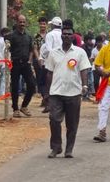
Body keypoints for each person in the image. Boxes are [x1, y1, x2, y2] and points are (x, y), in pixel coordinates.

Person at [45, 27, 90, 158]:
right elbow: (49, 73)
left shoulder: (80, 52)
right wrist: (47, 93)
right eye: (64, 34)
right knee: (54, 119)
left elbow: (84, 70)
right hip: (56, 92)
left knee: (72, 123)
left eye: (69, 34)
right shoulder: (53, 53)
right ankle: (56, 147)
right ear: (61, 36)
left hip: (74, 92)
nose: (66, 36)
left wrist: (85, 85)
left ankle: (69, 149)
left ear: (73, 36)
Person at [8, 15, 36, 118]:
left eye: (24, 22)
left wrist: (30, 60)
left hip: (26, 64)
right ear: (17, 22)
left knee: (32, 85)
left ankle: (24, 106)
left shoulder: (28, 36)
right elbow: (6, 49)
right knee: (15, 86)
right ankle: (15, 109)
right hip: (15, 64)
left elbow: (31, 49)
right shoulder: (11, 36)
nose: (22, 24)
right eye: (20, 22)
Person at [33, 17, 49, 105]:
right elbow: (35, 48)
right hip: (38, 60)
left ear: (46, 25)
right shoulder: (36, 36)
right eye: (41, 24)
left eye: (44, 24)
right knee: (40, 79)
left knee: (48, 79)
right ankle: (44, 98)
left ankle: (47, 98)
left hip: (48, 61)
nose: (42, 25)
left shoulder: (50, 35)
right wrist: (39, 58)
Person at [0, 27, 11, 96]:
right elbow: (6, 51)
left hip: (1, 61)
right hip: (5, 61)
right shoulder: (4, 41)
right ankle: (2, 92)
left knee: (2, 76)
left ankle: (1, 91)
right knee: (5, 77)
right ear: (4, 33)